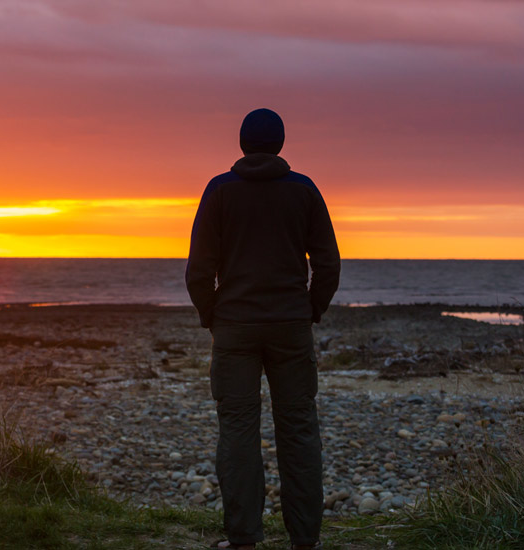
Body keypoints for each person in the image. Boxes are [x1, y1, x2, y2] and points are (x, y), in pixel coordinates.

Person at [185, 108, 340, 550]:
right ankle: (305, 539)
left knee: (237, 430)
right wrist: (311, 309)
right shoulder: (303, 190)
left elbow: (199, 269)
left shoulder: (219, 191)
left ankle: (244, 538)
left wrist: (211, 314)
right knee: (298, 428)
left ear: (242, 143)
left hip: (235, 328)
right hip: (290, 326)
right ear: (280, 143)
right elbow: (328, 263)